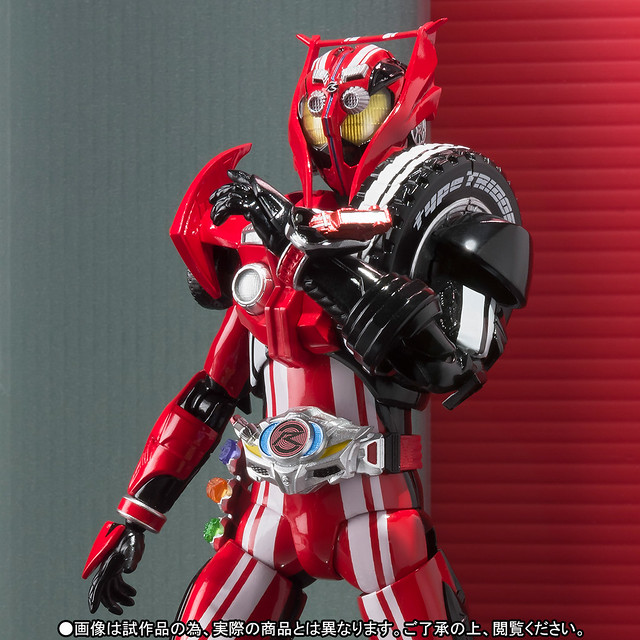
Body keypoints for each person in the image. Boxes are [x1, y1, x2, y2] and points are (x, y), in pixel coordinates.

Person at [83, 21, 530, 640]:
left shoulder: (433, 231)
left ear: (399, 110)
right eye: (324, 120)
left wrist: (305, 247)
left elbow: (446, 365)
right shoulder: (270, 236)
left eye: (356, 115)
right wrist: (135, 515)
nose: (337, 138)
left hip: (373, 510)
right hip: (267, 513)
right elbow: (210, 394)